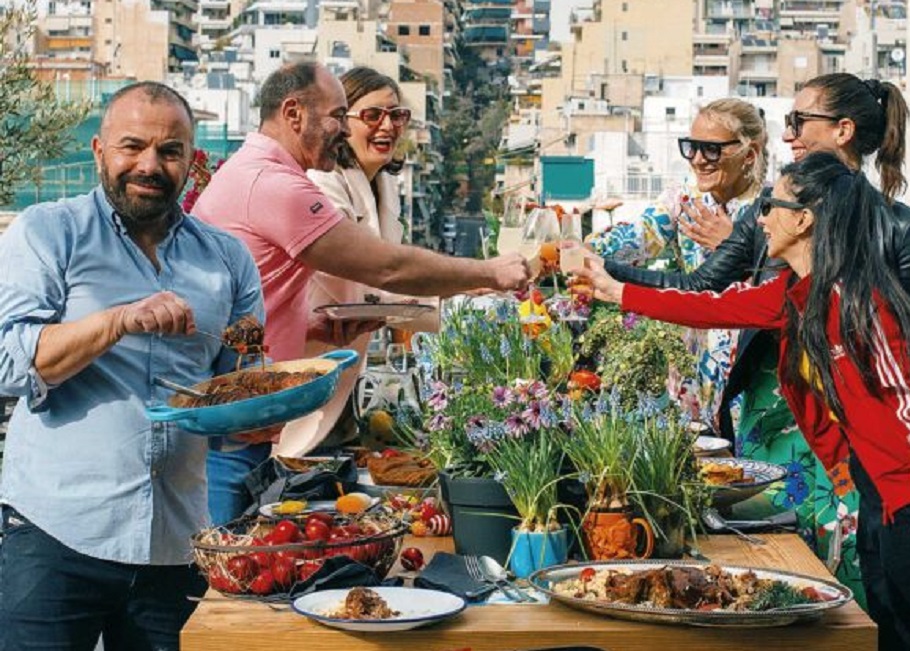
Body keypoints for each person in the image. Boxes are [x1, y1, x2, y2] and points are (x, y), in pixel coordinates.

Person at [578, 151, 910, 651]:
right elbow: (708, 307)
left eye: (769, 203)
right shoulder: (796, 293)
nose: (760, 218)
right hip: (879, 493)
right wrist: (617, 291)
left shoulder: (862, 302)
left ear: (803, 219)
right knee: (891, 626)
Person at [192, 62, 531, 523]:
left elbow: (253, 291)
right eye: (338, 115)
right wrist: (490, 272)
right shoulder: (276, 185)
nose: (342, 129)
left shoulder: (262, 173)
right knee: (225, 579)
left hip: (245, 422)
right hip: (232, 433)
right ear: (294, 114)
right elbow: (387, 268)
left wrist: (310, 327)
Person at [0, 82, 264, 650]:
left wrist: (268, 408)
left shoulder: (228, 260)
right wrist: (118, 320)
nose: (150, 165)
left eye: (170, 152)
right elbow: (8, 362)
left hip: (175, 544)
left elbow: (241, 392)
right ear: (99, 151)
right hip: (55, 535)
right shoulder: (49, 232)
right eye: (132, 146)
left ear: (192, 164)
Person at [279, 66, 438, 455]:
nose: (388, 126)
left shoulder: (384, 183)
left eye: (397, 115)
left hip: (348, 379)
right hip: (306, 370)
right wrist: (458, 301)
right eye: (373, 115)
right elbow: (372, 281)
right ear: (340, 123)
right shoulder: (322, 184)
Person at [588, 97, 767, 424]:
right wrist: (576, 249)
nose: (698, 160)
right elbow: (636, 238)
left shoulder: (772, 210)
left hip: (753, 375)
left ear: (749, 154)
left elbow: (780, 280)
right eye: (692, 147)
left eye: (711, 149)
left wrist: (735, 246)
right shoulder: (684, 201)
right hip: (693, 379)